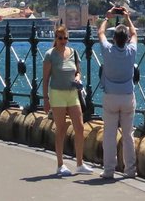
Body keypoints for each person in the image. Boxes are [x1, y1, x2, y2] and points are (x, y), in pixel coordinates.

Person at [42, 25, 93, 177]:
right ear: (55, 39)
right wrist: (46, 99)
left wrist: (78, 78)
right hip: (57, 94)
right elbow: (45, 80)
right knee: (61, 128)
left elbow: (78, 72)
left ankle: (79, 163)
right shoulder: (50, 55)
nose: (63, 41)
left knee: (79, 127)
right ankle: (60, 164)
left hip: (72, 94)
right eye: (60, 38)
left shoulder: (74, 53)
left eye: (65, 38)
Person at [97, 5, 138, 180]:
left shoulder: (107, 50)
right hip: (128, 95)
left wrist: (107, 17)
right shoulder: (131, 50)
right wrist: (127, 17)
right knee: (128, 135)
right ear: (126, 39)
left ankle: (109, 170)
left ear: (114, 38)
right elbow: (135, 34)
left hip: (110, 96)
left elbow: (100, 33)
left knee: (109, 134)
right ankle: (130, 170)